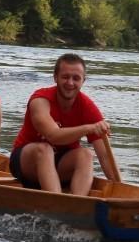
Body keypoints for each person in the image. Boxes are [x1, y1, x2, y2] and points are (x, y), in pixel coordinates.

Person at [10, 53, 119, 196]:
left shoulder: (87, 107)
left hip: (60, 166)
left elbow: (105, 156)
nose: (70, 83)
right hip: (27, 164)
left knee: (86, 154)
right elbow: (53, 136)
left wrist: (120, 187)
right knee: (44, 149)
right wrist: (89, 128)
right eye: (65, 77)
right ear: (55, 77)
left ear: (83, 81)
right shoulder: (40, 100)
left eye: (76, 78)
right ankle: (59, 202)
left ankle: (77, 202)